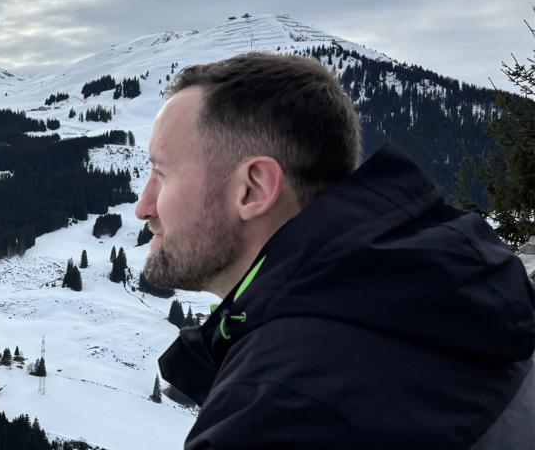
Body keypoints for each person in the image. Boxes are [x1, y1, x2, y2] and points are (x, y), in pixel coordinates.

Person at [136, 53, 534, 449]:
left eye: (161, 174)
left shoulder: (278, 409)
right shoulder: (439, 293)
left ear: (253, 189)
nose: (144, 207)